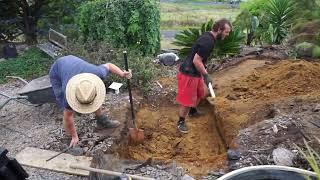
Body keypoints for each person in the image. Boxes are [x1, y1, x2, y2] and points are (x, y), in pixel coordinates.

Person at [49, 55, 132, 147]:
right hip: (57, 70)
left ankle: (101, 120)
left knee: (91, 96)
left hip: (72, 64)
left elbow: (109, 65)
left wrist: (122, 73)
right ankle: (70, 139)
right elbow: (67, 116)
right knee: (67, 111)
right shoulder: (67, 93)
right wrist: (75, 136)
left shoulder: (97, 73)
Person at [176, 19, 232, 133]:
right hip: (189, 73)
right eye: (226, 32)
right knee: (187, 100)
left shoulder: (209, 36)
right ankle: (181, 122)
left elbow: (199, 60)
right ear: (220, 30)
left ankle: (192, 110)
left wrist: (204, 72)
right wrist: (206, 75)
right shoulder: (208, 42)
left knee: (201, 92)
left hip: (195, 71)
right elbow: (196, 61)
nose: (227, 35)